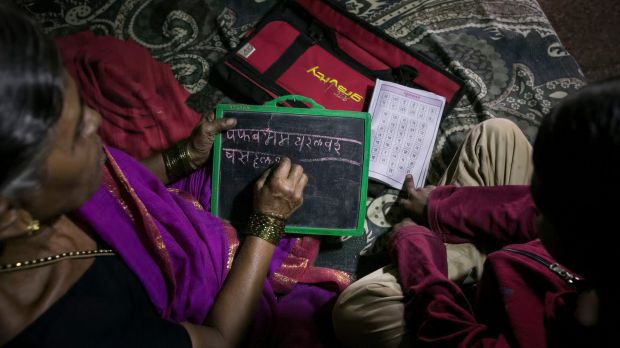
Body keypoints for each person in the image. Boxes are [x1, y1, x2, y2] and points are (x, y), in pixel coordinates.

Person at [0, 6, 346, 347]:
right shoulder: (78, 328)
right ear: (9, 213)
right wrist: (268, 223)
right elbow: (219, 339)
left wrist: (184, 156)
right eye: (76, 133)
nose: (96, 119)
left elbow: (115, 186)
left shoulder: (38, 199)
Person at [332, 79, 620, 347]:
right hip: (521, 261)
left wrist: (416, 248)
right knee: (497, 134)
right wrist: (440, 207)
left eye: (544, 204)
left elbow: (450, 335)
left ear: (578, 240)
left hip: (495, 308)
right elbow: (526, 209)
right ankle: (469, 246)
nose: (532, 198)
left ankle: (459, 258)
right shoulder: (597, 230)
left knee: (357, 312)